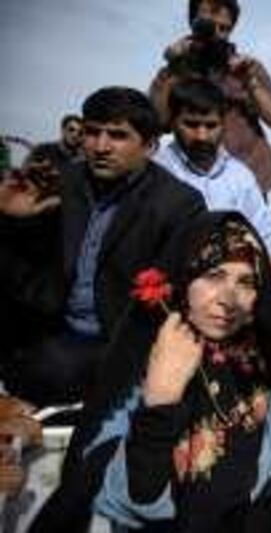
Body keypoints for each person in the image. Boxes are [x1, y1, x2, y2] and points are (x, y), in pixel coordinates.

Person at [56, 211, 271, 533]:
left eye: (246, 282)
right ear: (183, 279)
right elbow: (128, 496)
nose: (227, 299)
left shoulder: (259, 362)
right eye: (213, 275)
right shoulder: (142, 359)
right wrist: (160, 401)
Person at [0, 87, 205, 406]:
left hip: (114, 345)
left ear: (149, 146)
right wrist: (10, 217)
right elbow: (22, 272)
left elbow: (170, 303)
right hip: (48, 328)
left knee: (51, 369)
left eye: (118, 135)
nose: (101, 146)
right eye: (92, 132)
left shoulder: (178, 204)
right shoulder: (61, 182)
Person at [152, 78, 271, 273]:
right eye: (191, 125)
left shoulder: (240, 177)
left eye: (211, 125)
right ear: (173, 123)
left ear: (224, 124)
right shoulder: (157, 171)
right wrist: (258, 267)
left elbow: (266, 234)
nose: (202, 136)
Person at [150, 0, 271, 192]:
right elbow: (156, 124)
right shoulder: (175, 69)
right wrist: (176, 68)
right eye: (208, 25)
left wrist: (250, 82)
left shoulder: (247, 67)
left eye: (224, 28)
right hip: (190, 180)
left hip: (248, 179)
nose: (216, 33)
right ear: (193, 22)